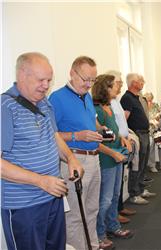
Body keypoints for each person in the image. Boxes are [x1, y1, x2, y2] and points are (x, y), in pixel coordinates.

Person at [1, 52, 84, 250]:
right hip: (24, 206)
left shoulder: (44, 103)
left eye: (49, 79)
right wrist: (40, 181)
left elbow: (54, 136)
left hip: (52, 197)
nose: (46, 86)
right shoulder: (5, 108)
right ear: (22, 75)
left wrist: (70, 158)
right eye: (41, 80)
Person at [49, 56, 106, 250]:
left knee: (91, 210)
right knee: (74, 215)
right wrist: (77, 135)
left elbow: (91, 121)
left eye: (93, 80)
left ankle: (93, 246)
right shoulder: (56, 98)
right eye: (85, 79)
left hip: (93, 159)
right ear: (72, 73)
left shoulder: (87, 96)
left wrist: (99, 130)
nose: (89, 84)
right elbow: (51, 135)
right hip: (73, 160)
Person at [92, 74, 134, 247]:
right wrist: (114, 152)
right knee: (105, 199)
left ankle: (113, 226)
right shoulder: (97, 110)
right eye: (114, 85)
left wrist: (122, 139)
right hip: (106, 159)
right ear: (105, 88)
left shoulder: (109, 106)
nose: (118, 87)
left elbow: (112, 132)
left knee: (115, 195)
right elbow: (97, 140)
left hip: (117, 155)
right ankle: (100, 234)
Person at [120, 73, 156, 205]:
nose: (143, 82)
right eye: (141, 81)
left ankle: (141, 189)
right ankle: (134, 194)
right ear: (133, 83)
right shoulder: (127, 98)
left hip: (144, 133)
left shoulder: (137, 97)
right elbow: (124, 119)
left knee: (143, 164)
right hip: (137, 135)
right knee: (137, 165)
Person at [106, 70, 137, 222]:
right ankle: (114, 214)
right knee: (112, 186)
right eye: (118, 83)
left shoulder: (116, 100)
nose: (120, 86)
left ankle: (119, 209)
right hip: (114, 145)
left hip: (122, 142)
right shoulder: (107, 104)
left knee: (119, 182)